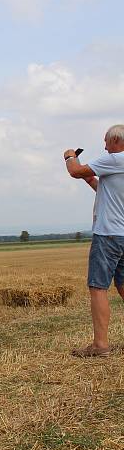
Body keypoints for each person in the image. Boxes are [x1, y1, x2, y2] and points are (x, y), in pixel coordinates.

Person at [64, 124, 124, 357]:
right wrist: (89, 180)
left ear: (116, 141)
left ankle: (100, 345)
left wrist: (69, 156)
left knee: (98, 287)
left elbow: (75, 170)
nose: (105, 147)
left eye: (107, 142)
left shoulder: (117, 159)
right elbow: (106, 191)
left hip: (108, 233)